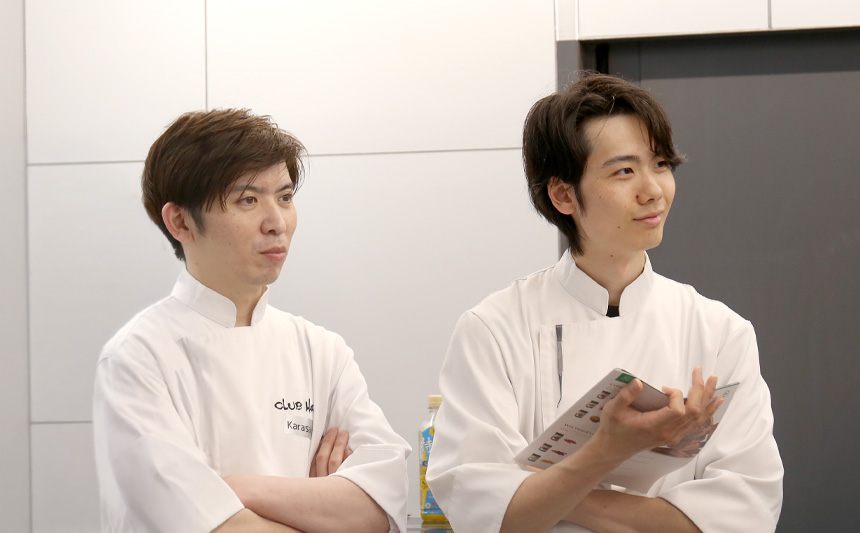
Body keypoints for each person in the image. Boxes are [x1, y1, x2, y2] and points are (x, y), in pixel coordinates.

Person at [425, 73, 783, 532]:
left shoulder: (720, 332)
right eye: (624, 171)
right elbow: (484, 512)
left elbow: (745, 513)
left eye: (660, 164)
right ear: (563, 194)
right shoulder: (494, 329)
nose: (653, 190)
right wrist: (605, 452)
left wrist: (549, 490)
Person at [93, 109, 410, 533]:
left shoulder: (322, 351)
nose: (277, 223)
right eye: (248, 200)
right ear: (180, 221)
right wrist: (317, 506)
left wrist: (240, 490)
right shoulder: (137, 357)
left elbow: (381, 508)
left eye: (285, 197)